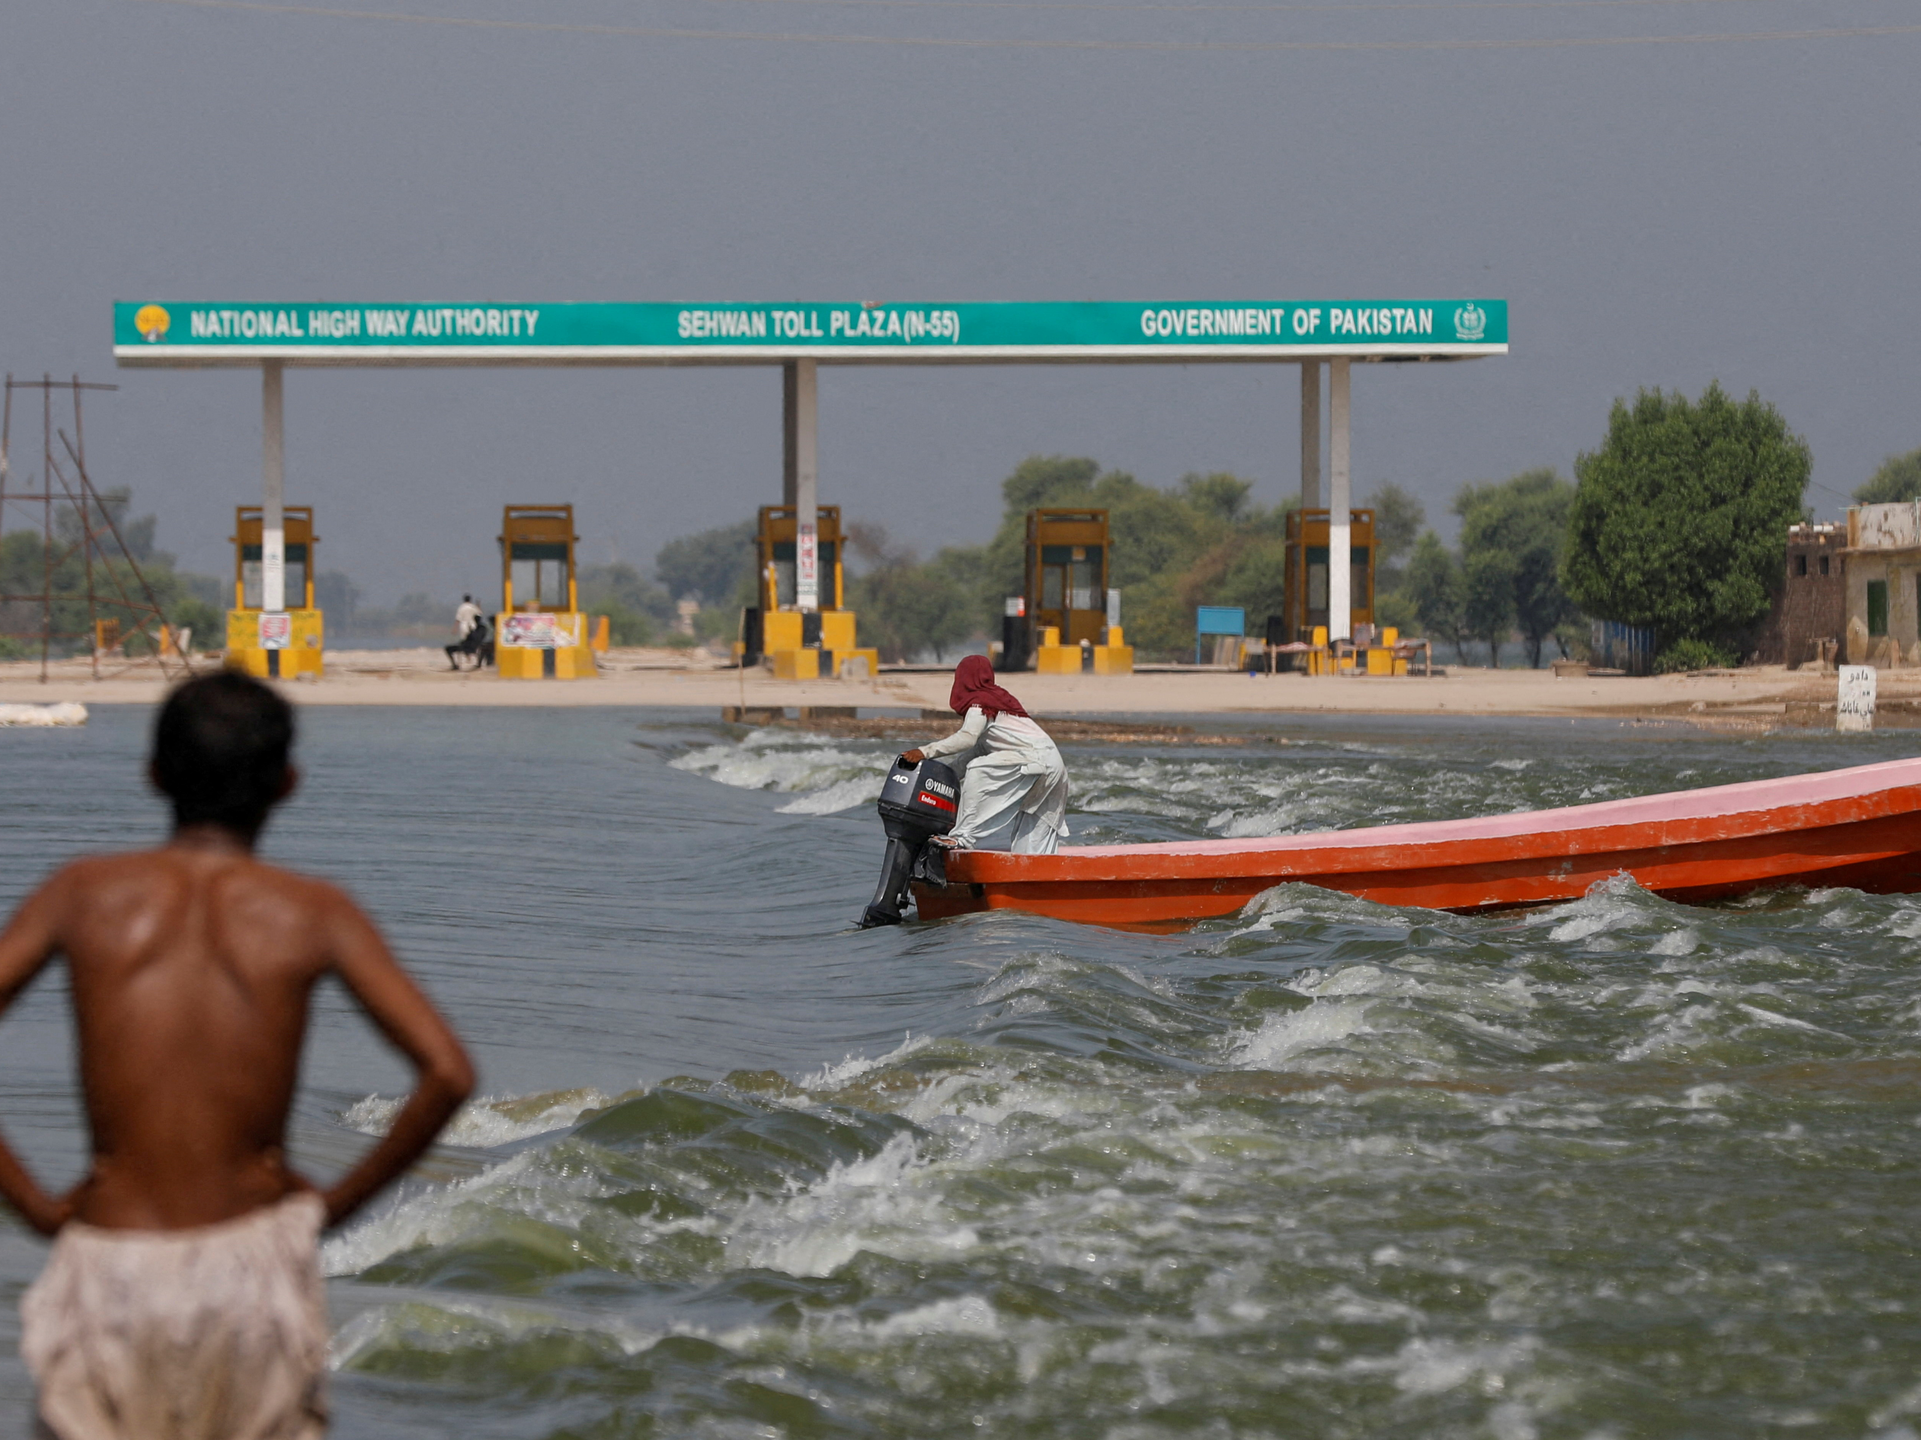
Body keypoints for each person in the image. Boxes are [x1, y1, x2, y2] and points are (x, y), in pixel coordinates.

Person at [0, 672, 475, 1440]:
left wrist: (33, 1205)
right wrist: (328, 1210)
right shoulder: (311, 911)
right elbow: (448, 1072)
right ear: (288, 784)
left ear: (153, 775)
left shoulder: (83, 893)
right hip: (252, 1263)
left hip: (112, 1251)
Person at [901, 655, 1069, 854]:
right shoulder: (999, 700)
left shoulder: (979, 704)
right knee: (1032, 845)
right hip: (1055, 767)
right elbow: (978, 749)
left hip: (1034, 761)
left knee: (978, 769)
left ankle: (961, 837)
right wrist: (947, 775)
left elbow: (967, 738)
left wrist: (924, 752)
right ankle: (1035, 880)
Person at [446, 594, 484, 671]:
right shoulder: (473, 607)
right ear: (470, 599)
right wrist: (478, 605)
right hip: (472, 625)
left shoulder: (461, 607)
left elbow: (458, 619)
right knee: (472, 641)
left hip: (464, 626)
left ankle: (467, 655)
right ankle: (469, 655)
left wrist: (455, 628)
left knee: (464, 642)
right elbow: (479, 614)